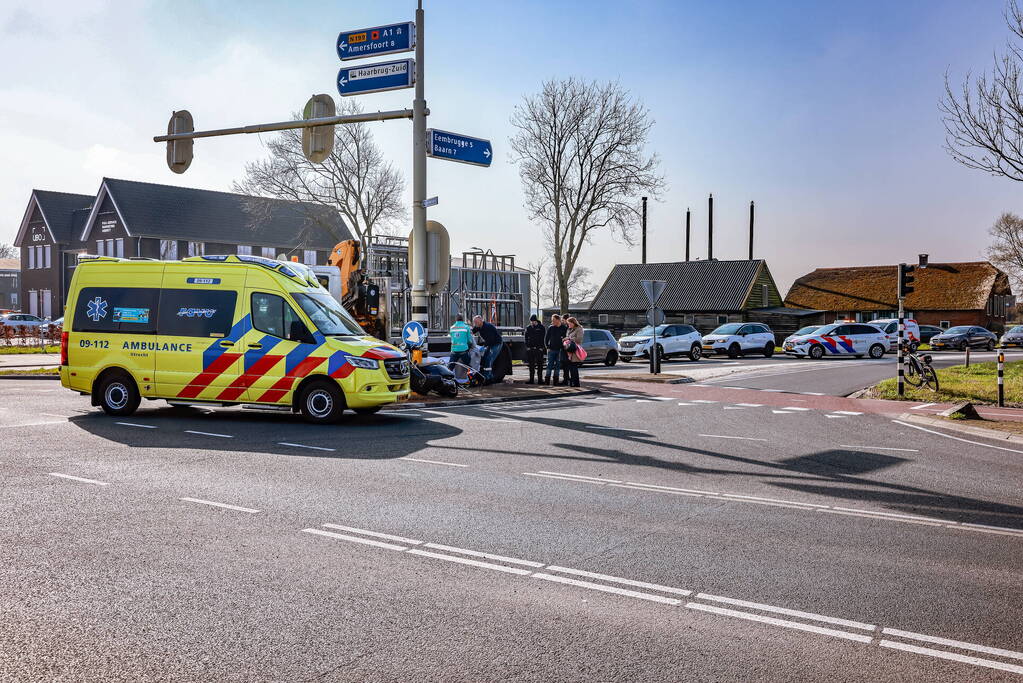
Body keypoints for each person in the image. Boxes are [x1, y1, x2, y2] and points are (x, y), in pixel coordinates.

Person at [472, 314, 504, 382]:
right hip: (490, 343)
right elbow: (472, 331)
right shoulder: (478, 326)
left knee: (489, 359)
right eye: (474, 322)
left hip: (496, 343)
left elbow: (491, 339)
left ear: (481, 321)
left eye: (476, 322)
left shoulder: (487, 327)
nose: (475, 324)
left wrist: (483, 347)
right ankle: (486, 375)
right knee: (485, 358)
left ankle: (488, 377)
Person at [543, 314, 567, 385]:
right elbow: (546, 338)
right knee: (549, 364)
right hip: (551, 350)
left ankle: (555, 381)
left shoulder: (564, 328)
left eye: (553, 320)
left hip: (560, 350)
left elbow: (566, 339)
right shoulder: (551, 328)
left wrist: (564, 348)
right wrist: (547, 347)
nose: (552, 321)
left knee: (558, 365)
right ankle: (547, 380)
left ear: (558, 320)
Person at [523, 314, 546, 384]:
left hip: (539, 349)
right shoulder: (529, 327)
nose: (532, 323)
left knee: (540, 365)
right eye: (531, 321)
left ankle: (540, 380)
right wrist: (528, 347)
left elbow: (543, 338)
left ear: (536, 321)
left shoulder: (541, 327)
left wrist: (542, 347)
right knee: (531, 366)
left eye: (533, 321)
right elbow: (526, 338)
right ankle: (531, 380)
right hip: (531, 349)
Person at [562, 316, 585, 387]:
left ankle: (576, 383)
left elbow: (579, 339)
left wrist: (569, 338)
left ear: (573, 322)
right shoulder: (569, 329)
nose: (568, 325)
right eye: (568, 324)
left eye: (569, 323)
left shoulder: (579, 329)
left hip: (575, 350)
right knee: (570, 367)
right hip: (569, 350)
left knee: (574, 367)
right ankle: (572, 382)